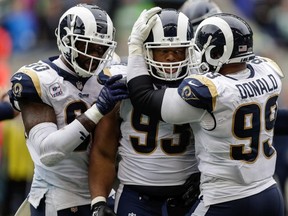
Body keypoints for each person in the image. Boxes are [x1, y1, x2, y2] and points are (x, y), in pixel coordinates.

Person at [127, 8, 285, 216]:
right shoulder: (268, 71)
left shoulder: (211, 90)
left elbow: (144, 99)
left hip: (225, 199)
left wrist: (135, 48)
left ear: (215, 52)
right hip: (270, 193)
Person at [8, 3, 128, 216]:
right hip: (57, 196)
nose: (94, 55)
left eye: (101, 48)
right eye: (86, 46)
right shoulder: (38, 79)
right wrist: (98, 109)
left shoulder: (110, 71)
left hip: (102, 191)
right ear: (66, 40)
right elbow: (48, 152)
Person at [89, 8, 200, 216]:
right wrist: (99, 201)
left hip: (189, 196)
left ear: (189, 51)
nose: (170, 58)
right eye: (162, 50)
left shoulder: (199, 86)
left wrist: (205, 176)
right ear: (146, 51)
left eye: (177, 51)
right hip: (136, 196)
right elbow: (104, 151)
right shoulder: (122, 83)